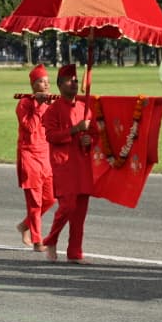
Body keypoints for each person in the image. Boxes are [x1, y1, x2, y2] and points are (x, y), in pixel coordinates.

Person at [42, 64, 98, 264]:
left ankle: (75, 251)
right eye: (69, 80)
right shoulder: (53, 109)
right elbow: (51, 136)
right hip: (63, 165)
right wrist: (75, 130)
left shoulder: (84, 108)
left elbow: (94, 135)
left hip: (82, 164)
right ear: (59, 85)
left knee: (80, 212)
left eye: (75, 80)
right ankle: (51, 239)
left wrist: (89, 140)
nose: (73, 83)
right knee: (68, 206)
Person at [14, 64, 55, 250]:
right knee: (35, 202)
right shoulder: (24, 103)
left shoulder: (51, 102)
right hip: (29, 156)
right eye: (42, 82)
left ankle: (25, 225)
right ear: (33, 85)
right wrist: (39, 106)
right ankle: (37, 241)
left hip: (46, 155)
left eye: (47, 81)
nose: (46, 85)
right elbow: (30, 128)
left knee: (51, 198)